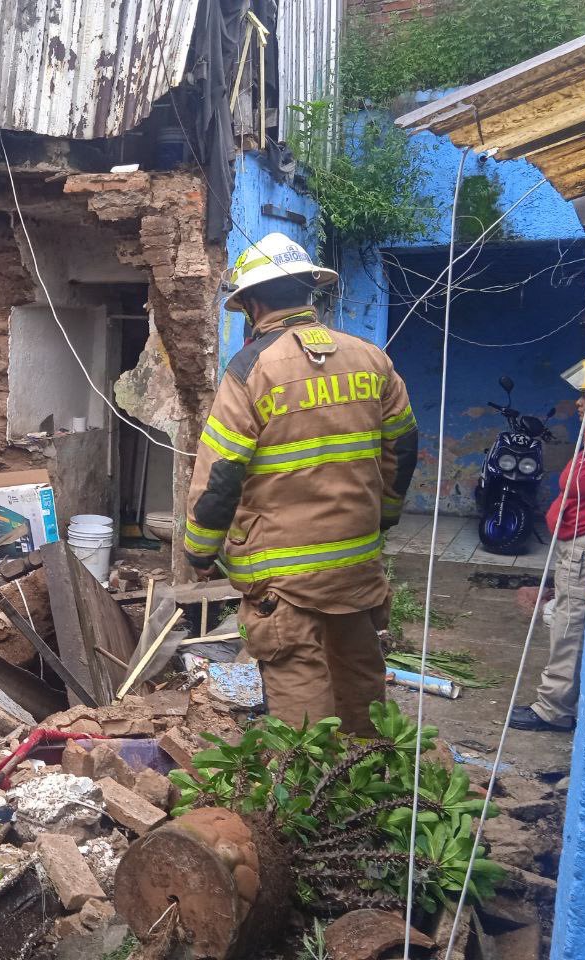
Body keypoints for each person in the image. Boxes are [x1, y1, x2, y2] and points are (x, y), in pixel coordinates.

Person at [184, 234, 419, 736]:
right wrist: (385, 515)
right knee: (359, 670)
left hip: (284, 575)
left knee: (298, 676)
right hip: (356, 560)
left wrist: (200, 553)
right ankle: (370, 776)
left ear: (251, 302)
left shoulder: (252, 369)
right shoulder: (370, 358)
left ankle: (314, 793)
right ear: (310, 290)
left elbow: (221, 473)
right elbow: (404, 445)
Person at [510, 355, 585, 733]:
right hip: (573, 544)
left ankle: (554, 708)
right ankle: (559, 701)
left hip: (584, 548)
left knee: (569, 625)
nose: (580, 403)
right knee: (566, 620)